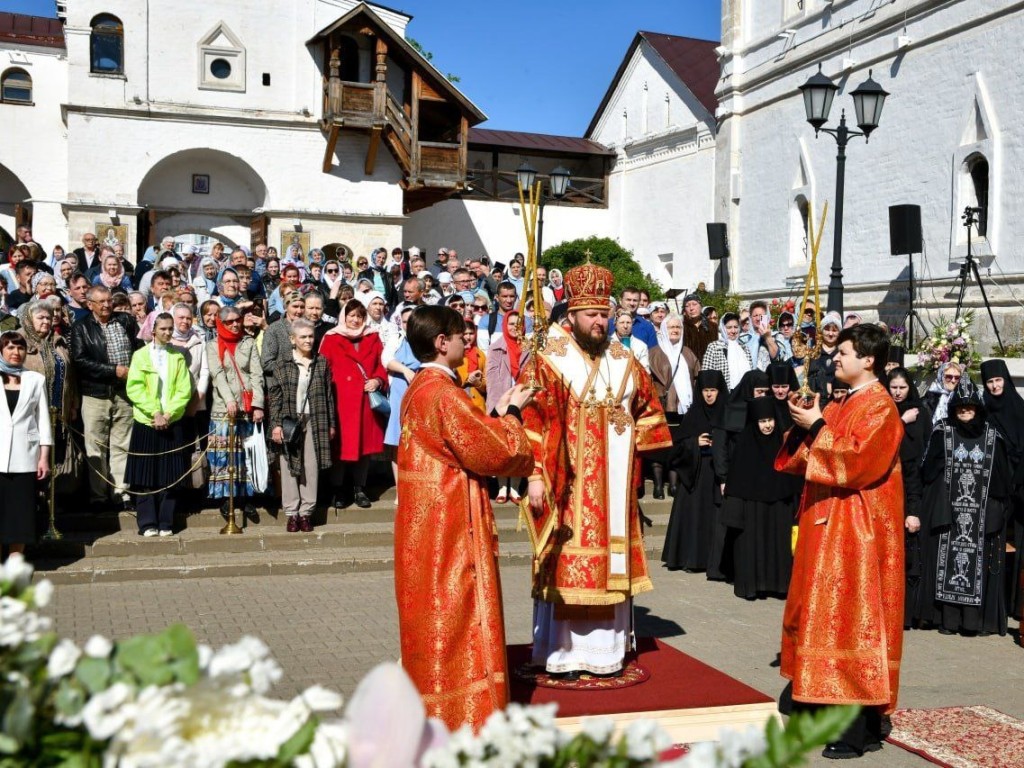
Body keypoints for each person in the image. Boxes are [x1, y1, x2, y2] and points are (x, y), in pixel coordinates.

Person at [523, 262, 671, 679]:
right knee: (565, 563)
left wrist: (633, 441)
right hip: (566, 483)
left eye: (604, 314)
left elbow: (650, 412)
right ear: (571, 314)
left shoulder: (623, 359)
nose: (600, 322)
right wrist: (535, 473)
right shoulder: (550, 357)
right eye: (592, 315)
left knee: (610, 565)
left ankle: (606, 653)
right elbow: (534, 420)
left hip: (612, 493)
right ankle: (561, 654)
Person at [395, 304, 534, 730]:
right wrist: (512, 412)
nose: (466, 341)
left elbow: (464, 440)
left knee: (432, 615)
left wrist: (494, 417)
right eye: (460, 335)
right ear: (442, 343)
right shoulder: (443, 393)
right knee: (456, 616)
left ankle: (428, 707)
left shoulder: (419, 388)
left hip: (423, 525)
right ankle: (462, 717)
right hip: (448, 528)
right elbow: (496, 452)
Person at [776, 323, 905, 760]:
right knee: (816, 613)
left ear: (869, 359)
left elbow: (858, 463)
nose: (836, 358)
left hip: (860, 533)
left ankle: (857, 727)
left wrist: (817, 427)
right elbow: (808, 458)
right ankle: (819, 703)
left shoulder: (881, 407)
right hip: (826, 525)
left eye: (844, 352)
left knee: (852, 619)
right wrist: (803, 423)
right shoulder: (844, 402)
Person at [916, 379, 1011, 637]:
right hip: (948, 516)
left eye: (969, 409)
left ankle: (973, 623)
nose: (965, 413)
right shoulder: (942, 432)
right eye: (960, 409)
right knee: (947, 565)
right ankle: (948, 620)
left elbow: (1002, 480)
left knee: (977, 566)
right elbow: (929, 472)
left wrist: (994, 511)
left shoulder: (993, 436)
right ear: (954, 410)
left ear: (977, 409)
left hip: (980, 517)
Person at [70, 285, 142, 511]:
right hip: (95, 395)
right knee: (96, 447)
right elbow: (79, 361)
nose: (106, 305)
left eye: (109, 300)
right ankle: (98, 496)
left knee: (123, 445)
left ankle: (121, 493)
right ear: (89, 304)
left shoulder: (125, 321)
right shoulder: (81, 327)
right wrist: (113, 370)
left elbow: (138, 348)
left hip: (124, 393)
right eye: (101, 301)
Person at [720, 396, 798, 600]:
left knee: (778, 545)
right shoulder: (744, 447)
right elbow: (737, 482)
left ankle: (779, 586)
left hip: (779, 509)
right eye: (762, 421)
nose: (768, 426)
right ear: (754, 423)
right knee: (751, 546)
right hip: (752, 510)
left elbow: (792, 480)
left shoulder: (783, 445)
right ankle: (753, 586)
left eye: (770, 420)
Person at [123, 313, 192, 537]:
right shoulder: (140, 356)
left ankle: (166, 522)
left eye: (170, 328)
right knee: (145, 475)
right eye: (163, 328)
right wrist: (155, 411)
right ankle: (147, 523)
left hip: (172, 421)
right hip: (147, 421)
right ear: (153, 330)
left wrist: (169, 413)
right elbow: (135, 388)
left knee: (170, 475)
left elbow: (184, 390)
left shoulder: (178, 357)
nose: (168, 332)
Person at [268, 318, 336, 532]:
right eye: (303, 337)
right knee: (288, 464)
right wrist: (276, 425)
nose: (308, 340)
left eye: (310, 336)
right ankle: (292, 512)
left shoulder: (321, 362)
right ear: (292, 339)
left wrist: (331, 424)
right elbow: (275, 398)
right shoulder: (283, 363)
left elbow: (328, 396)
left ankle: (307, 512)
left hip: (315, 418)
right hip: (289, 419)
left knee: (311, 466)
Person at [320, 299, 387, 509]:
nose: (355, 320)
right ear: (344, 316)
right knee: (339, 446)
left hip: (365, 402)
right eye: (351, 315)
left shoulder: (373, 337)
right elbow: (322, 369)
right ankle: (338, 490)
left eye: (359, 316)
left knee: (364, 447)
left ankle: (359, 488)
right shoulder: (331, 338)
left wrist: (377, 380)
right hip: (341, 401)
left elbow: (381, 365)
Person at [662, 370, 727, 571]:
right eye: (706, 390)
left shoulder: (727, 413)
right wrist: (694, 443)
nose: (709, 395)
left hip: (718, 475)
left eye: (713, 390)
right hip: (696, 474)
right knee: (693, 517)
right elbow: (676, 448)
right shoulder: (694, 414)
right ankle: (690, 558)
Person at [206, 306, 265, 520]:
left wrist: (258, 404)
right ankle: (225, 498)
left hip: (247, 407)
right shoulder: (212, 345)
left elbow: (256, 374)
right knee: (225, 455)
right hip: (224, 409)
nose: (234, 324)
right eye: (229, 321)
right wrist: (229, 399)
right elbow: (217, 373)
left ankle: (247, 498)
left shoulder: (248, 343)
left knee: (246, 454)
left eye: (237, 320)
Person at [0, 332, 51, 559]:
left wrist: (44, 457)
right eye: (9, 348)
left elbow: (43, 420)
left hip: (25, 458)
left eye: (19, 348)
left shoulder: (36, 379)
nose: (15, 352)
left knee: (20, 518)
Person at [979, 359, 1024, 616]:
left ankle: (1017, 605)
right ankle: (993, 606)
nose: (995, 386)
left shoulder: (1019, 409)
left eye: (998, 380)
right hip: (995, 490)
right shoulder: (984, 414)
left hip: (1019, 488)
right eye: (990, 382)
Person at [888, 367, 932, 628]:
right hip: (886, 486)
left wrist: (914, 507)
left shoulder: (920, 412)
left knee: (909, 554)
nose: (897, 391)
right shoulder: (888, 411)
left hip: (911, 487)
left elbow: (919, 458)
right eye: (893, 386)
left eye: (902, 387)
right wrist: (900, 421)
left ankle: (908, 613)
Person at [648, 313, 699, 498]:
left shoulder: (687, 352)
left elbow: (696, 377)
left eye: (678, 327)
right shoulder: (654, 352)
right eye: (671, 327)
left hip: (683, 409)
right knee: (660, 447)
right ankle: (658, 486)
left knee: (678, 445)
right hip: (662, 406)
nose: (675, 330)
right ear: (663, 330)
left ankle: (674, 485)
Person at [486, 311, 528, 504]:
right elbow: (492, 380)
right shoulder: (495, 349)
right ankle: (503, 485)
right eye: (510, 324)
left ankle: (515, 486)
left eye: (518, 324)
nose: (514, 328)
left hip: (523, 401)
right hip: (501, 401)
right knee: (503, 445)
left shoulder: (530, 348)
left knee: (520, 444)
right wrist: (500, 406)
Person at [382, 305, 419, 505]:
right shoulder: (395, 339)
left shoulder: (425, 338)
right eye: (405, 321)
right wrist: (405, 370)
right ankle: (400, 488)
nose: (408, 325)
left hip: (420, 388)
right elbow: (386, 359)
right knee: (398, 439)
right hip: (399, 389)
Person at [702, 312, 753, 390]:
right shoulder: (714, 347)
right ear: (723, 328)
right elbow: (706, 373)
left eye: (736, 327)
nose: (733, 331)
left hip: (744, 393)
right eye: (729, 327)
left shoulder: (744, 348)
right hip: (724, 393)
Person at [805, 311, 842, 398]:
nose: (830, 334)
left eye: (834, 330)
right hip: (815, 396)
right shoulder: (813, 352)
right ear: (821, 331)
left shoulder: (841, 353)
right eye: (827, 329)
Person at [455, 320, 486, 412]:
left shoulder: (480, 355)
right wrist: (468, 377)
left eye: (471, 333)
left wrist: (478, 383)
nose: (468, 337)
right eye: (465, 334)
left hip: (478, 403)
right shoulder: (454, 353)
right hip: (459, 401)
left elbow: (487, 382)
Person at [923, 361, 964, 426]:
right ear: (941, 376)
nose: (953, 381)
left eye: (957, 378)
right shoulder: (929, 399)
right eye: (948, 377)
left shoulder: (963, 398)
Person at [682, 293, 718, 361]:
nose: (691, 308)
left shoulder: (713, 327)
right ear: (684, 310)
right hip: (688, 367)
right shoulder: (681, 327)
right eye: (687, 306)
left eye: (694, 304)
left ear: (701, 306)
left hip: (709, 367)